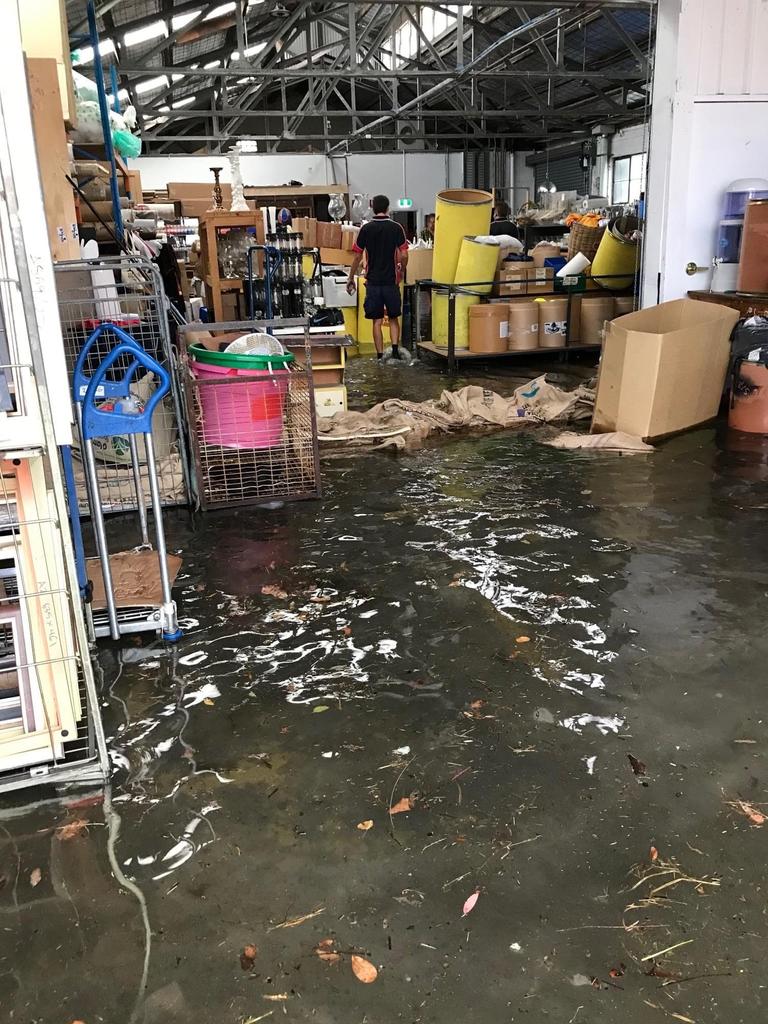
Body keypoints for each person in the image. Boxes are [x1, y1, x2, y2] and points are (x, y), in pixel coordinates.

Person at [347, 194, 409, 359]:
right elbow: (403, 254)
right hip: (390, 282)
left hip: (373, 282)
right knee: (394, 317)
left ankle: (380, 355)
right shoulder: (397, 228)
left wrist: (350, 277)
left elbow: (357, 256)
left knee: (377, 320)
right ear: (388, 208)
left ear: (372, 208)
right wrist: (401, 270)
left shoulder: (366, 229)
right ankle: (395, 351)